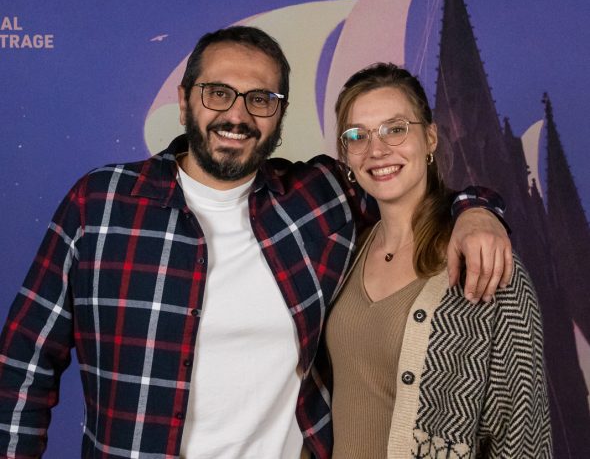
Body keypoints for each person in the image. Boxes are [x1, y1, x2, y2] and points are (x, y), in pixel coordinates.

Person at [0, 27, 512, 459]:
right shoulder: (101, 203)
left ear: (279, 116)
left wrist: (476, 211)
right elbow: (24, 363)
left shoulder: (319, 197)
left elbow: (406, 187)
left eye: (260, 99)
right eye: (218, 93)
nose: (238, 115)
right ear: (185, 101)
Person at [324, 63, 551, 458]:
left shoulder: (487, 265)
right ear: (346, 154)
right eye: (357, 135)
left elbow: (522, 437)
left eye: (395, 129)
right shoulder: (345, 250)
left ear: (430, 138)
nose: (377, 150)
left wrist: (477, 212)